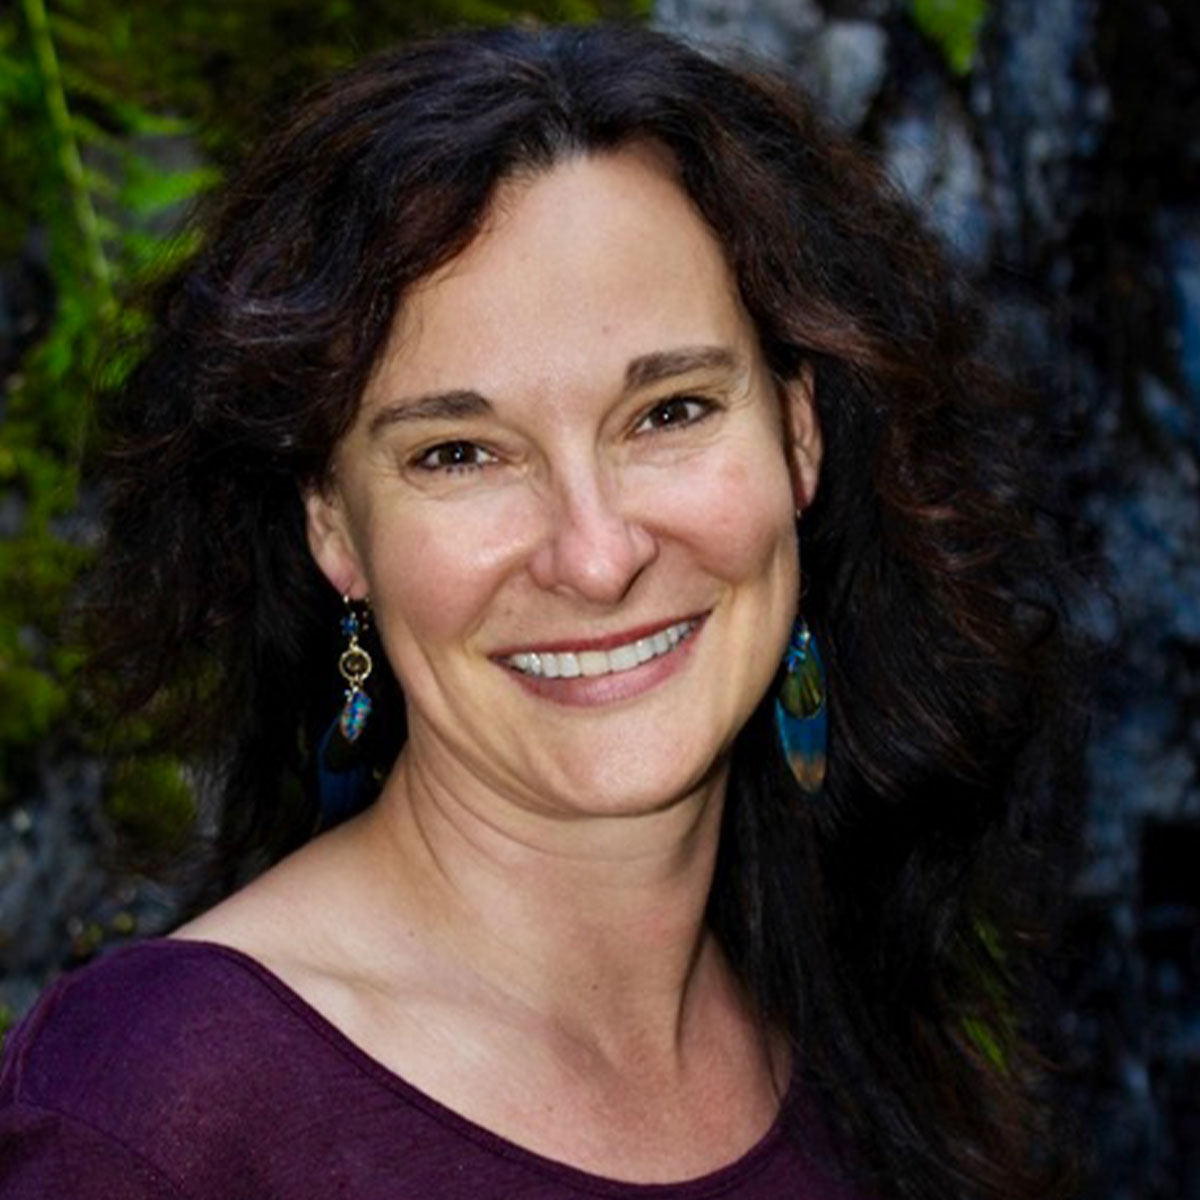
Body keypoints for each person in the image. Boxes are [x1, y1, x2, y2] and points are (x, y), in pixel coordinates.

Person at [0, 22, 1083, 1200]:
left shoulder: (858, 1031)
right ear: (332, 524)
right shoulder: (156, 1112)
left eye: (668, 412)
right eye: (461, 452)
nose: (597, 555)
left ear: (800, 433)